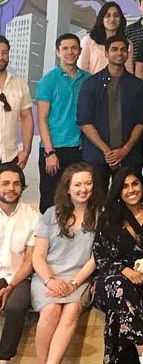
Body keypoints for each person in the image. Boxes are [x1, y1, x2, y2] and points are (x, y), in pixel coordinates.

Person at [92, 169, 143, 364]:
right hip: (111, 282)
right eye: (125, 186)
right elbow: (100, 257)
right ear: (118, 191)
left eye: (135, 184)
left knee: (119, 313)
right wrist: (124, 271)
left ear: (142, 186)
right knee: (120, 285)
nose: (131, 190)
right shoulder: (109, 219)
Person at [32, 163, 100, 364]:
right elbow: (38, 256)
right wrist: (50, 280)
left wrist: (74, 283)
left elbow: (96, 257)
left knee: (71, 310)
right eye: (77, 184)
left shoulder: (101, 215)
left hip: (79, 279)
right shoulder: (51, 214)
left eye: (88, 183)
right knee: (51, 310)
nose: (83, 189)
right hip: (47, 277)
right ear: (68, 188)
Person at [77, 34, 143, 186]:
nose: (119, 53)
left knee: (127, 202)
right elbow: (84, 121)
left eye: (123, 50)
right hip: (96, 156)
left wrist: (124, 150)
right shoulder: (90, 84)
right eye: (114, 49)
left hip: (129, 156)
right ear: (106, 53)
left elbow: (141, 121)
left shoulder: (137, 85)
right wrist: (107, 152)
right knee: (95, 202)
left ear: (128, 53)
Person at [35, 33, 90, 212]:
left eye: (74, 48)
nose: (70, 52)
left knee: (78, 200)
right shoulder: (48, 80)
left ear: (80, 51)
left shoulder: (88, 80)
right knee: (50, 200)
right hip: (54, 150)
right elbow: (42, 118)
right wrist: (49, 152)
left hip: (79, 148)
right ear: (58, 52)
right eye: (65, 48)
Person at [0, 165, 40, 364]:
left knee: (16, 307)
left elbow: (30, 260)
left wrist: (11, 286)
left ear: (22, 187)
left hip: (18, 277)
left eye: (16, 184)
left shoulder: (33, 216)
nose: (11, 188)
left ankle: (4, 357)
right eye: (5, 183)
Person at [0, 35, 33, 169]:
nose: (1, 57)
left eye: (4, 53)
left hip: (9, 157)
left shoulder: (20, 84)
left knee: (10, 190)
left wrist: (26, 150)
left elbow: (26, 118)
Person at [79, 1, 133, 74]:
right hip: (93, 84)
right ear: (102, 19)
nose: (112, 19)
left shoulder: (127, 43)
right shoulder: (89, 41)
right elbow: (82, 70)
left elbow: (129, 71)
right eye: (108, 16)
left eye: (116, 16)